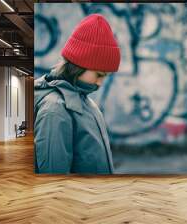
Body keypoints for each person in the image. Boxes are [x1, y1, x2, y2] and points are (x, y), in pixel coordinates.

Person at [34, 14, 121, 174]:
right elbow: (54, 183)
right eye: (99, 75)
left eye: (105, 76)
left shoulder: (85, 102)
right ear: (79, 66)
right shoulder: (54, 111)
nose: (100, 83)